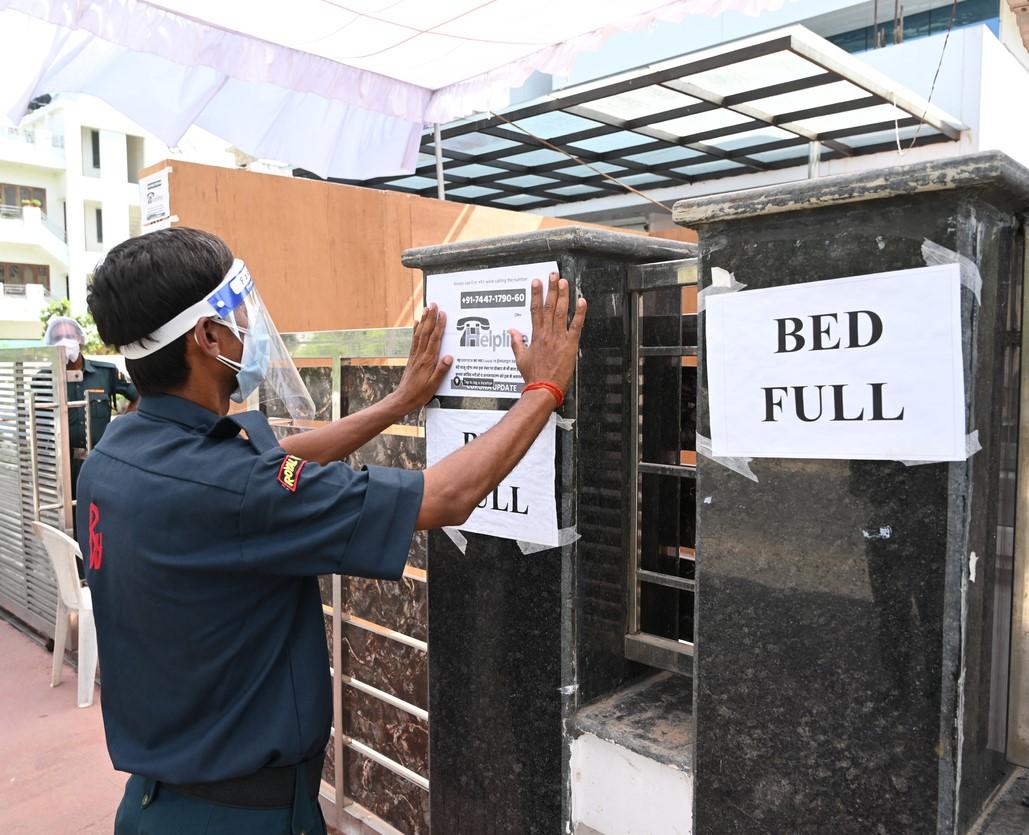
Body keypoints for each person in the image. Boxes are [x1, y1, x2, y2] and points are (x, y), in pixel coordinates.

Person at [76, 227, 586, 834]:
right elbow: (448, 496)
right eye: (238, 313)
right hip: (242, 817)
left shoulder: (117, 454)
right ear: (207, 337)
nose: (249, 326)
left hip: (155, 806)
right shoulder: (235, 492)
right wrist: (544, 388)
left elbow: (276, 463)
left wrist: (396, 403)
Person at [42, 315, 139, 500]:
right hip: (59, 467)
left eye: (69, 336)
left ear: (81, 340)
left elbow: (139, 395)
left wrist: (124, 424)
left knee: (99, 513)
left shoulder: (106, 373)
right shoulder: (43, 379)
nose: (64, 341)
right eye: (57, 337)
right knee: (64, 520)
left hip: (99, 459)